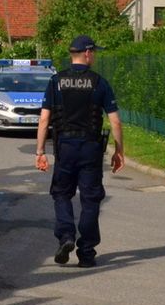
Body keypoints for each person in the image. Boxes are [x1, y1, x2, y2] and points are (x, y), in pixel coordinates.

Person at [34, 35, 124, 268]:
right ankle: (86, 251)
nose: (94, 56)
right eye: (94, 52)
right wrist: (119, 151)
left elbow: (44, 120)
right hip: (91, 148)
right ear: (87, 53)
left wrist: (40, 151)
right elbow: (115, 121)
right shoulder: (99, 82)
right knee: (90, 198)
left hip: (65, 147)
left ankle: (66, 236)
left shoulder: (56, 81)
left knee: (62, 193)